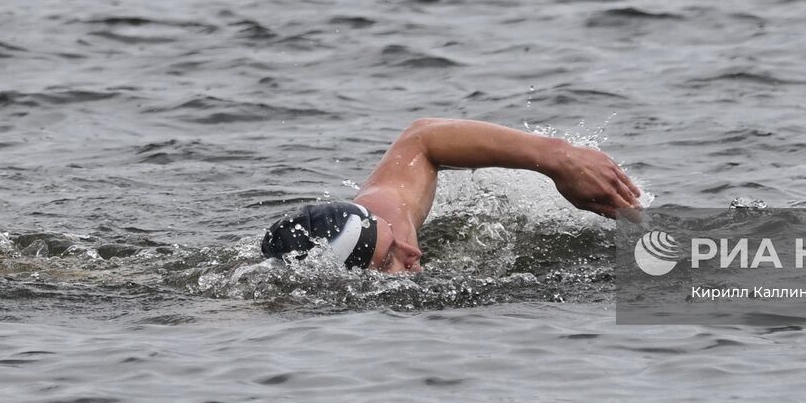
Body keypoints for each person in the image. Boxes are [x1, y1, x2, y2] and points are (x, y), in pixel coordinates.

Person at [260, 118, 642, 273]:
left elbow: (422, 137)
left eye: (393, 240)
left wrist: (557, 157)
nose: (414, 253)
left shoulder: (385, 214)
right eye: (390, 258)